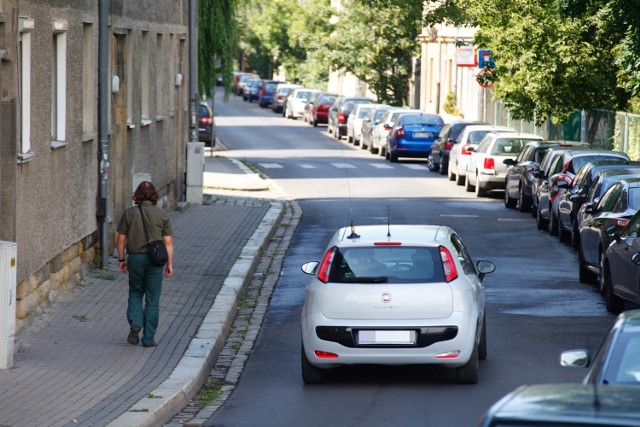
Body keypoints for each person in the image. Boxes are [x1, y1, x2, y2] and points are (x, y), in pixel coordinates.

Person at [116, 181, 174, 347]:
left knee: (135, 292)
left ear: (137, 195)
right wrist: (170, 263)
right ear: (154, 195)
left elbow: (121, 239)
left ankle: (136, 323)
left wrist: (121, 259)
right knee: (152, 299)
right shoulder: (162, 214)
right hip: (156, 261)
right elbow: (168, 242)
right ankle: (148, 339)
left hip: (135, 258)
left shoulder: (129, 213)